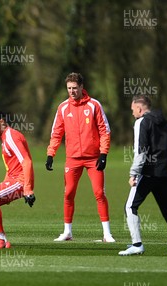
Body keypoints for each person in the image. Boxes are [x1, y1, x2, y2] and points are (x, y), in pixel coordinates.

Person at [46, 72, 115, 242]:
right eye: (69, 88)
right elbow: (56, 133)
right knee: (68, 193)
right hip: (73, 158)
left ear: (82, 87)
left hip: (93, 159)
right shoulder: (62, 108)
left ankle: (107, 234)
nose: (72, 91)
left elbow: (104, 131)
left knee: (99, 193)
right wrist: (50, 154)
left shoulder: (94, 105)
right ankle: (67, 232)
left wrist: (103, 153)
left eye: (74, 88)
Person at [119, 95, 167, 256]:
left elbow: (141, 151)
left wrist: (133, 173)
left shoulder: (141, 122)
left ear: (139, 109)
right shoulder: (165, 122)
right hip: (164, 173)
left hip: (148, 173)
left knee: (130, 207)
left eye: (133, 110)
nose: (132, 113)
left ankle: (137, 244)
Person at [0, 111, 35, 249]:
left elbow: (26, 162)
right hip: (13, 180)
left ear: (2, 122)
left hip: (20, 181)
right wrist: (5, 185)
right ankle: (3, 240)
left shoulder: (11, 136)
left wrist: (27, 189)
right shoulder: (5, 138)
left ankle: (1, 239)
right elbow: (10, 167)